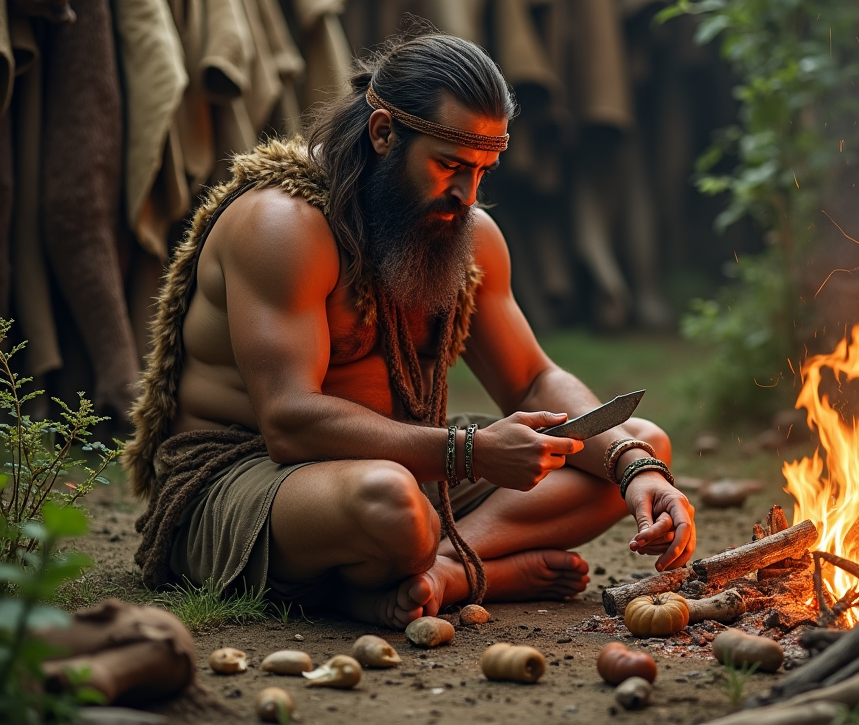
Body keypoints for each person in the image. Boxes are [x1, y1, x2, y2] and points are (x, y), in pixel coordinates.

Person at [125, 31, 696, 629]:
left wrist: (638, 472)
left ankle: (444, 571)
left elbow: (531, 381)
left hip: (407, 469)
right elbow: (289, 422)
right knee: (392, 503)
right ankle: (474, 568)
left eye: (483, 171)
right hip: (246, 479)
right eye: (450, 166)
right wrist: (469, 452)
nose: (467, 195)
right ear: (383, 135)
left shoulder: (466, 234)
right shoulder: (283, 224)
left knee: (636, 445)